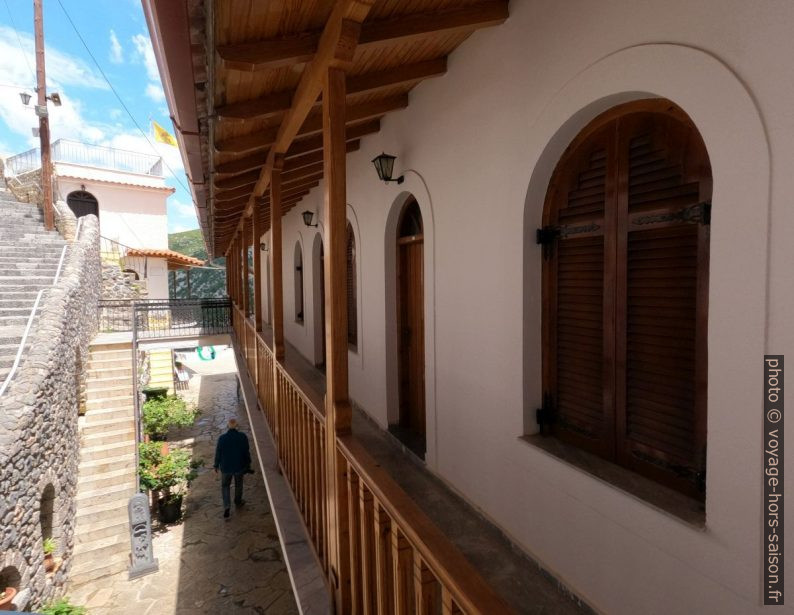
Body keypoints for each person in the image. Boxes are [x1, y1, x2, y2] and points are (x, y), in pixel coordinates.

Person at [213, 418, 251, 518]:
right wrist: (248, 464)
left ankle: (227, 506)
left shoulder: (222, 438)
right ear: (237, 426)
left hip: (225, 467)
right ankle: (238, 501)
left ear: (227, 426)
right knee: (239, 485)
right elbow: (246, 452)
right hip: (239, 466)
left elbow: (218, 453)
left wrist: (216, 465)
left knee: (225, 486)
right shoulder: (242, 437)